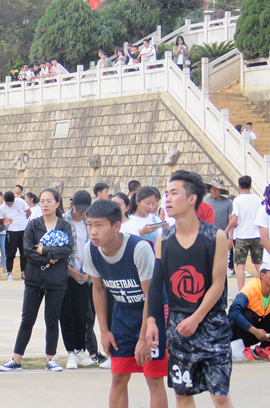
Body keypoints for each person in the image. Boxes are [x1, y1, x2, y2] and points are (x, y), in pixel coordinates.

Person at [143, 170, 232, 407]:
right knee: (182, 394)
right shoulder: (164, 237)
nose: (167, 199)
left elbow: (218, 284)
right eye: (166, 194)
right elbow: (156, 284)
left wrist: (197, 317)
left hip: (211, 324)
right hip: (178, 326)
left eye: (174, 193)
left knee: (219, 396)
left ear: (192, 199)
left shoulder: (215, 236)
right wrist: (151, 322)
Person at [85, 199, 168, 408]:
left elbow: (151, 295)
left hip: (152, 314)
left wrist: (143, 337)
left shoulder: (139, 248)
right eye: (89, 225)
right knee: (119, 376)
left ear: (116, 226)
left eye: (99, 225)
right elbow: (98, 289)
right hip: (123, 314)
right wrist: (104, 331)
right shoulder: (91, 250)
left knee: (153, 379)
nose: (93, 231)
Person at [0, 188, 73, 373]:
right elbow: (28, 251)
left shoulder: (64, 226)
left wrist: (44, 250)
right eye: (42, 200)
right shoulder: (33, 224)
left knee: (52, 320)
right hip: (34, 279)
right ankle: (16, 359)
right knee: (27, 319)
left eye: (49, 201)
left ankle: (51, 359)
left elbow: (66, 249)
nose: (45, 204)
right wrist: (48, 259)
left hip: (56, 280)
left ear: (57, 203)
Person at [60, 190, 97, 369]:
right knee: (67, 315)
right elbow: (57, 250)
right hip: (66, 274)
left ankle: (80, 350)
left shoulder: (89, 222)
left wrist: (88, 271)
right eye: (79, 209)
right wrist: (70, 270)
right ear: (72, 204)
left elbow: (94, 247)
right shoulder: (62, 221)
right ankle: (70, 353)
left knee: (83, 315)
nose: (81, 213)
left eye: (85, 210)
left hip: (84, 275)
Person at [225, 175, 263, 291]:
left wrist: (226, 232)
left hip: (241, 236)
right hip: (256, 235)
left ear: (239, 186)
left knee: (240, 266)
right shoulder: (258, 199)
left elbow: (234, 219)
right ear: (251, 185)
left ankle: (241, 292)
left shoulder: (237, 200)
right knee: (259, 265)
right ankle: (264, 290)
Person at [228, 260, 270, 361]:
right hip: (238, 333)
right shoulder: (250, 288)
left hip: (260, 332)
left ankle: (264, 348)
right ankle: (245, 348)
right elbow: (233, 312)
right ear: (262, 275)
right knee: (247, 314)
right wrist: (255, 331)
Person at [0, 190, 30, 280]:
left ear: (14, 200)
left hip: (23, 230)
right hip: (11, 231)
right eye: (7, 204)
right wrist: (6, 222)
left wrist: (23, 221)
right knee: (10, 254)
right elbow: (0, 220)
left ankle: (23, 273)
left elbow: (28, 212)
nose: (9, 205)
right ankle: (9, 273)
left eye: (11, 203)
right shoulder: (2, 208)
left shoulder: (21, 202)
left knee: (24, 253)